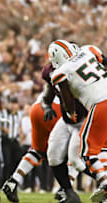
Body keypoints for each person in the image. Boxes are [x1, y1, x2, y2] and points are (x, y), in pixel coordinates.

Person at [49, 40, 107, 202]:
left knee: (86, 151)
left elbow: (67, 99)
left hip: (101, 104)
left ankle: (105, 183)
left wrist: (71, 113)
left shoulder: (60, 71)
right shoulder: (89, 49)